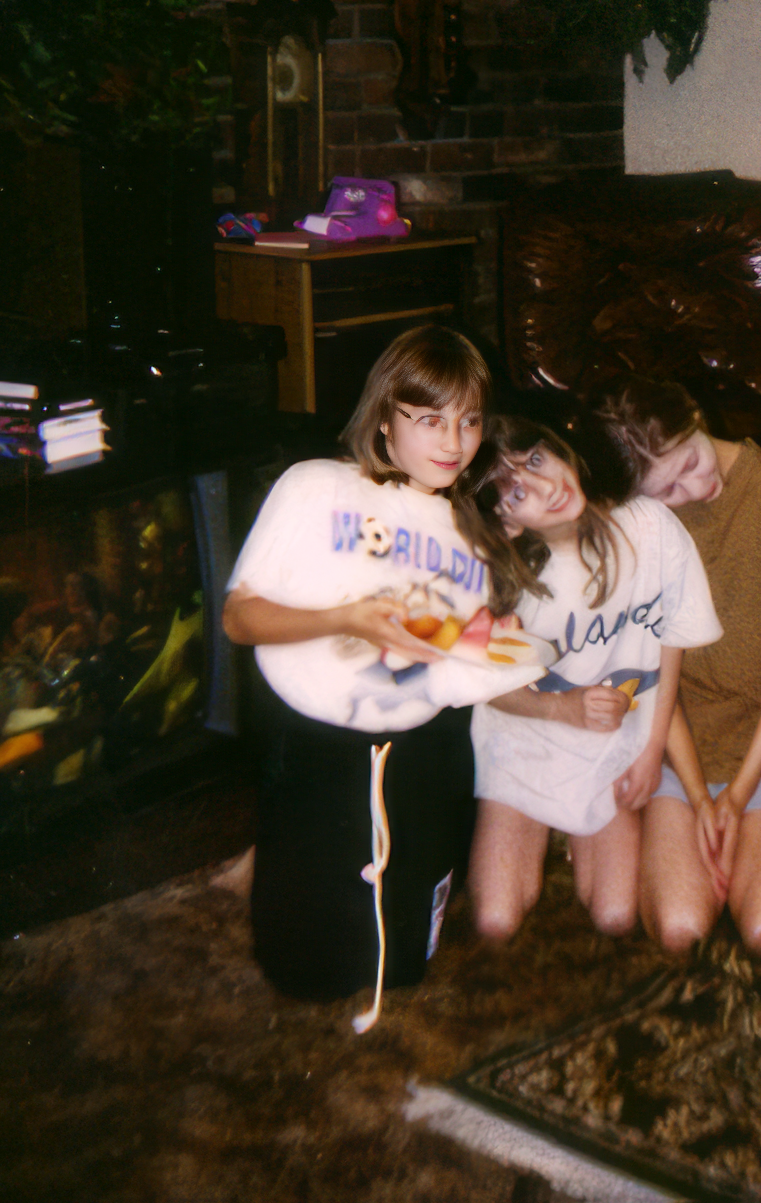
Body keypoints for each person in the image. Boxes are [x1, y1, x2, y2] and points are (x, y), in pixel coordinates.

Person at [223, 325, 539, 1002]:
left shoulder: (467, 534)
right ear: (385, 421)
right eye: (430, 420)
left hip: (424, 748)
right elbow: (239, 619)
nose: (454, 443)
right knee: (300, 971)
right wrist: (343, 618)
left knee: (402, 968)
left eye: (469, 420)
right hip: (317, 748)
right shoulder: (316, 487)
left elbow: (448, 654)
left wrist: (488, 638)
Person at [595, 376, 761, 960]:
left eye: (689, 460)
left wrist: (739, 794)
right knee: (681, 929)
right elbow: (656, 673)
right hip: (689, 738)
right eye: (668, 491)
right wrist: (698, 795)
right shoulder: (642, 524)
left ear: (694, 413)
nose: (694, 486)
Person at [456, 403, 721, 943]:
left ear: (558, 448)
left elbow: (669, 647)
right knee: (495, 921)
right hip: (524, 740)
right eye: (516, 491)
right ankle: (530, 826)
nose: (545, 483)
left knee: (616, 916)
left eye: (536, 458)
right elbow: (488, 688)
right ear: (507, 523)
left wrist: (650, 752)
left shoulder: (649, 527)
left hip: (608, 747)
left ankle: (579, 836)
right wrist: (561, 707)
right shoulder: (505, 582)